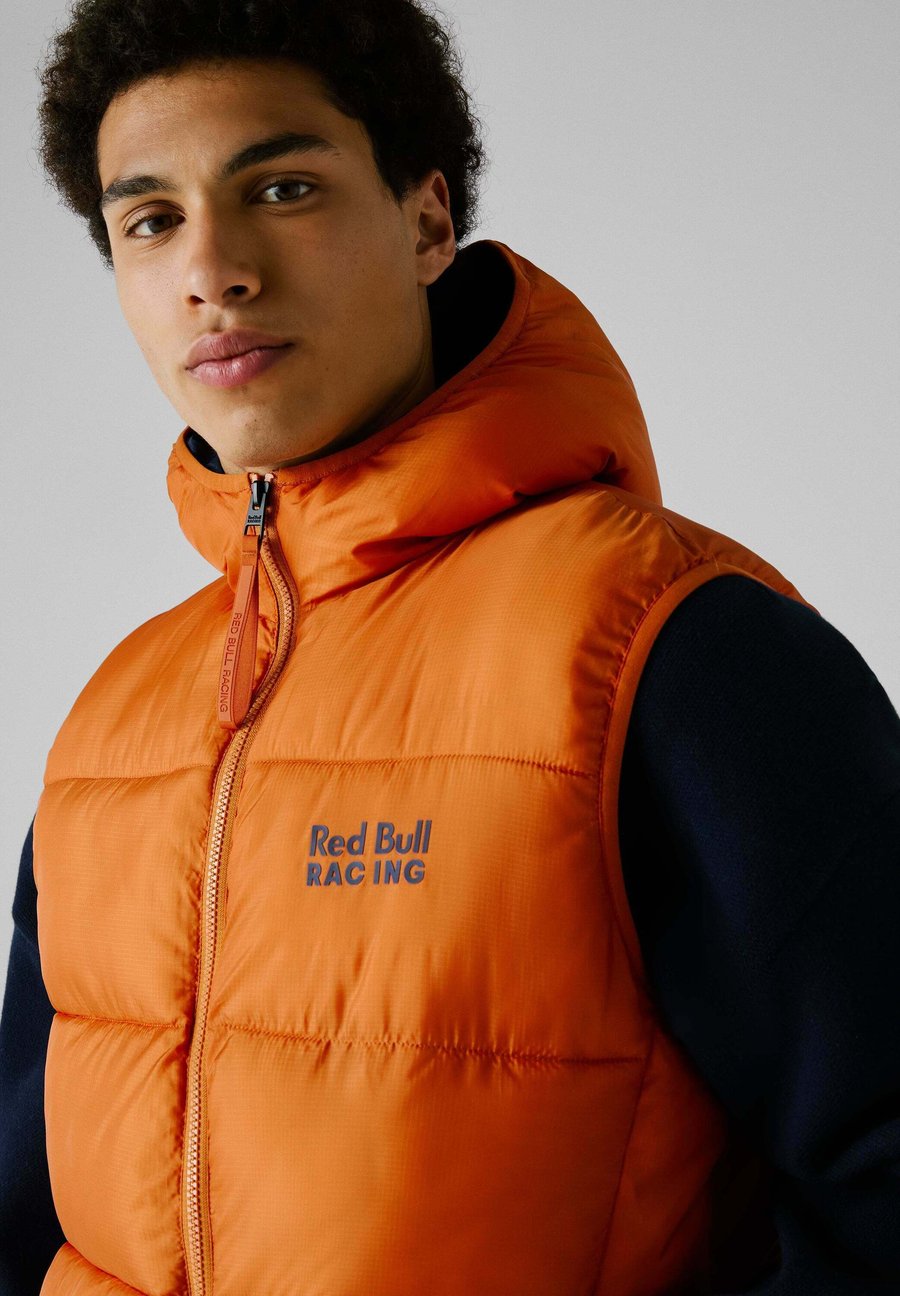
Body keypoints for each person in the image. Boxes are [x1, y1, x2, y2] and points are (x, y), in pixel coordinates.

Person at [2, 1, 898, 1293]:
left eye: (282, 188)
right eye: (150, 220)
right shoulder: (115, 723)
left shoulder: (672, 646)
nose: (214, 270)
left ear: (427, 222)